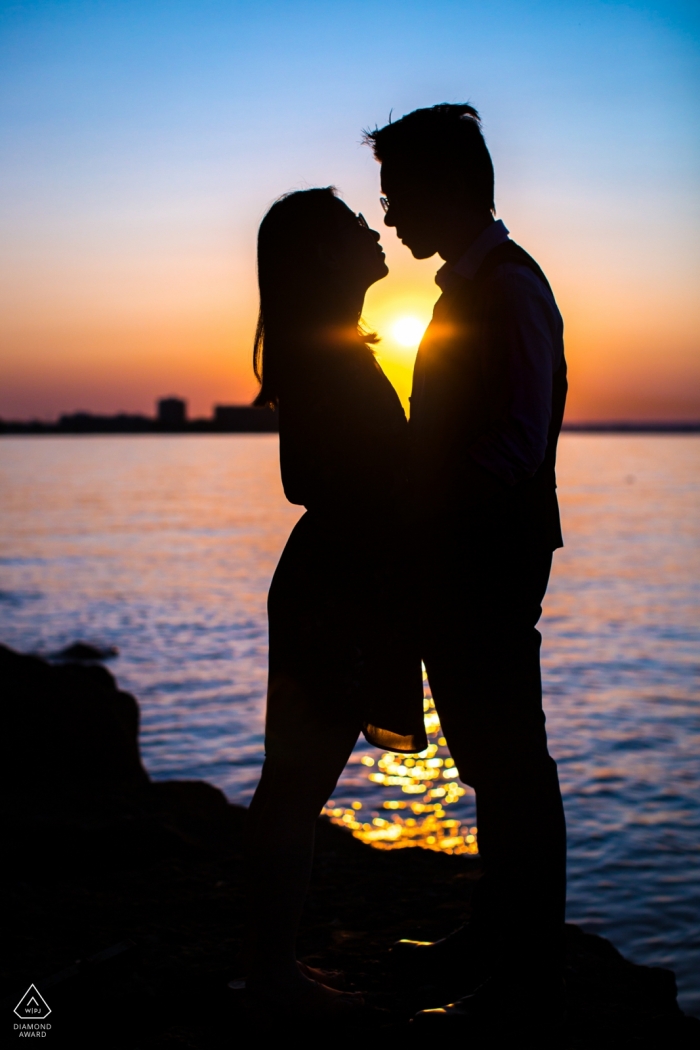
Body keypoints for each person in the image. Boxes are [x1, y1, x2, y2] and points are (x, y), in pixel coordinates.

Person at [365, 104, 568, 1034]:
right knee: (492, 755)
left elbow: (520, 443)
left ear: (449, 189)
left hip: (492, 552)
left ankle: (526, 967)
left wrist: (426, 495)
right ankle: (495, 936)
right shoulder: (466, 288)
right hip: (464, 552)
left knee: (511, 760)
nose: (389, 212)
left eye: (399, 191)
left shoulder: (511, 289)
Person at [243, 187, 426, 1015]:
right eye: (354, 224)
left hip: (343, 577)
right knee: (294, 785)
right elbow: (305, 478)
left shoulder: (336, 347)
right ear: (322, 254)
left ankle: (272, 968)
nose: (373, 228)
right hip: (337, 584)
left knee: (293, 783)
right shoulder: (328, 353)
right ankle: (273, 976)